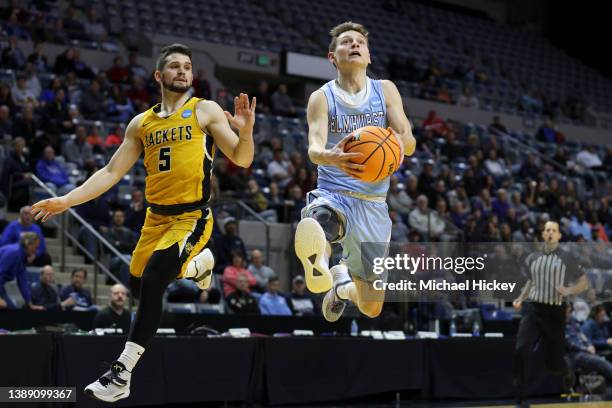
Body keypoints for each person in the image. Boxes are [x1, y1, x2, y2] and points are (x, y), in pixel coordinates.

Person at [31, 43, 256, 402]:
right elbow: (110, 171)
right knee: (138, 287)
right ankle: (199, 265)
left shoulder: (205, 110)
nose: (183, 71)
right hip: (155, 219)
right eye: (175, 66)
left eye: (187, 66)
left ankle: (121, 374)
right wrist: (66, 201)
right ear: (158, 75)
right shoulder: (141, 123)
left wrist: (245, 132)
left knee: (153, 281)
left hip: (192, 216)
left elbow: (243, 159)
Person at [294, 22, 416, 322]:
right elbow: (314, 147)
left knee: (370, 307)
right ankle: (318, 266)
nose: (354, 45)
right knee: (322, 222)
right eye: (346, 42)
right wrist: (330, 157)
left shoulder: (385, 90)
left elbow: (410, 143)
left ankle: (341, 287)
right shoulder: (322, 97)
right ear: (332, 57)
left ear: (369, 56)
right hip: (333, 192)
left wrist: (392, 141)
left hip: (373, 204)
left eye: (360, 42)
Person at [512, 221, 588, 406]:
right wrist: (520, 298)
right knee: (521, 349)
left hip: (554, 312)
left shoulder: (568, 258)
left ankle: (566, 369)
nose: (550, 233)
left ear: (559, 236)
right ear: (543, 235)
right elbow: (531, 282)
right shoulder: (533, 257)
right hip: (533, 309)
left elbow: (583, 282)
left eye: (554, 230)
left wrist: (569, 291)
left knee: (553, 365)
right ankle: (521, 400)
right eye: (547, 230)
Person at [565, 303, 612, 382]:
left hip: (588, 349)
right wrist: (605, 342)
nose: (603, 318)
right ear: (596, 314)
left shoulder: (573, 323)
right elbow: (569, 343)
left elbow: (583, 337)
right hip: (576, 353)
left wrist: (589, 345)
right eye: (601, 315)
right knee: (601, 362)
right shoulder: (589, 325)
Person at [0, 232, 43, 310]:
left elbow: (22, 280)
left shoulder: (22, 256)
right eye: (35, 247)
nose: (36, 250)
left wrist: (30, 304)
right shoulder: (14, 252)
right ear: (28, 244)